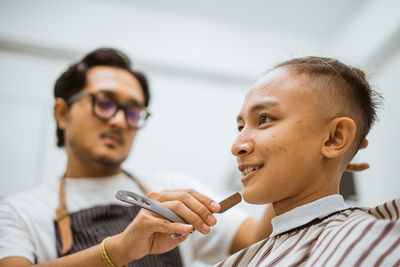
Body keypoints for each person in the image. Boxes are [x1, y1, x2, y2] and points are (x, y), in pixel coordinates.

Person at [0, 49, 368, 267]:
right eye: (105, 103)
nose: (118, 120)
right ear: (62, 113)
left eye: (133, 111)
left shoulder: (175, 189)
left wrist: (305, 163)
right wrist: (118, 250)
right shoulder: (18, 212)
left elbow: (257, 237)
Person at [214, 56, 400, 266]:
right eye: (241, 127)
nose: (237, 146)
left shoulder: (373, 241)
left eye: (264, 119)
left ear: (334, 138)